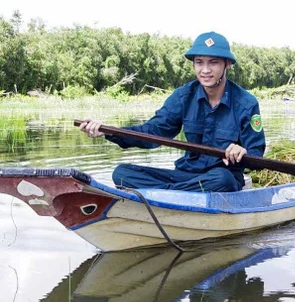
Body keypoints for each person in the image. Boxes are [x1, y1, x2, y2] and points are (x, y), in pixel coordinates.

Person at [78, 31, 265, 192]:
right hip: (185, 176)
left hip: (219, 179)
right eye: (199, 62)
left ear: (227, 65)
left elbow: (256, 154)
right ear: (193, 65)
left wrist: (243, 151)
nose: (205, 70)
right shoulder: (183, 96)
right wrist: (107, 131)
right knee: (121, 173)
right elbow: (152, 132)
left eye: (213, 63)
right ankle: (176, 193)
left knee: (222, 180)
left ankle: (163, 195)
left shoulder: (246, 103)